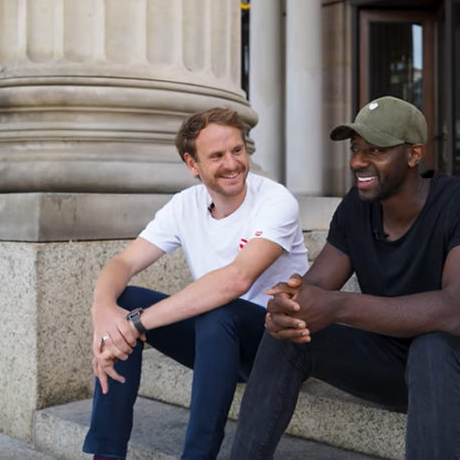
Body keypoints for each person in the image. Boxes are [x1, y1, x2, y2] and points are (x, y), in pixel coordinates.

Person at [230, 96, 460, 460]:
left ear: (414, 155)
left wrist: (337, 306)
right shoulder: (357, 207)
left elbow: (456, 314)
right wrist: (290, 305)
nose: (357, 161)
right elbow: (317, 285)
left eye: (376, 150)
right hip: (392, 362)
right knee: (291, 337)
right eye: (355, 149)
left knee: (433, 345)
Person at [82, 107, 309, 460]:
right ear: (193, 164)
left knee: (218, 313)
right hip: (215, 344)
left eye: (237, 150)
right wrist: (104, 315)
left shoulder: (276, 200)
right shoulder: (184, 205)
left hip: (272, 345)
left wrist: (136, 323)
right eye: (216, 156)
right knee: (122, 300)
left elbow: (236, 279)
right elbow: (123, 262)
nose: (232, 163)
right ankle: (107, 455)